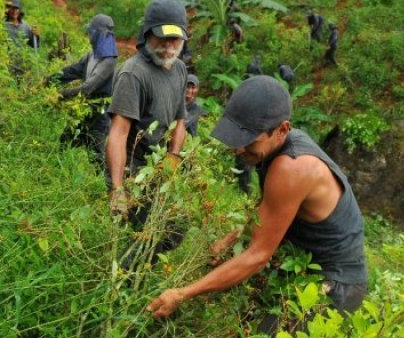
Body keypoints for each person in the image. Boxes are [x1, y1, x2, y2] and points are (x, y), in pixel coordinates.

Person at [148, 76, 368, 319]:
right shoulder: (277, 147)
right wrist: (233, 237)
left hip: (337, 284)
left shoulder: (292, 167)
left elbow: (258, 255)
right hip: (303, 263)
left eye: (248, 140)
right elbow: (268, 211)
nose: (238, 149)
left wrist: (182, 293)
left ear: (282, 130)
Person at [105, 0, 189, 268]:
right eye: (162, 38)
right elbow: (118, 134)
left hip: (158, 167)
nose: (169, 46)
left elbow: (180, 120)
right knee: (142, 233)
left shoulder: (179, 69)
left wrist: (173, 156)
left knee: (177, 227)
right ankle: (124, 286)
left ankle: (139, 268)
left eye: (175, 39)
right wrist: (118, 189)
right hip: (133, 169)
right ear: (147, 35)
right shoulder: (134, 74)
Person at [51, 14, 118, 165]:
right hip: (83, 107)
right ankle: (57, 170)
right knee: (65, 140)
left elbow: (87, 88)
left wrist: (59, 95)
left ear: (98, 34)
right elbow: (73, 70)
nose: (88, 36)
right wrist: (49, 79)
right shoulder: (92, 55)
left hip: (99, 112)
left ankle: (103, 185)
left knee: (95, 152)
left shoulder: (109, 61)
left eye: (91, 33)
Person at [4, 0, 40, 78]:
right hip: (6, 65)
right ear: (8, 10)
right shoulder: (3, 25)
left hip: (21, 66)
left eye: (16, 9)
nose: (14, 11)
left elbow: (35, 45)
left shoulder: (26, 26)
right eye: (12, 9)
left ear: (20, 10)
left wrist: (37, 36)